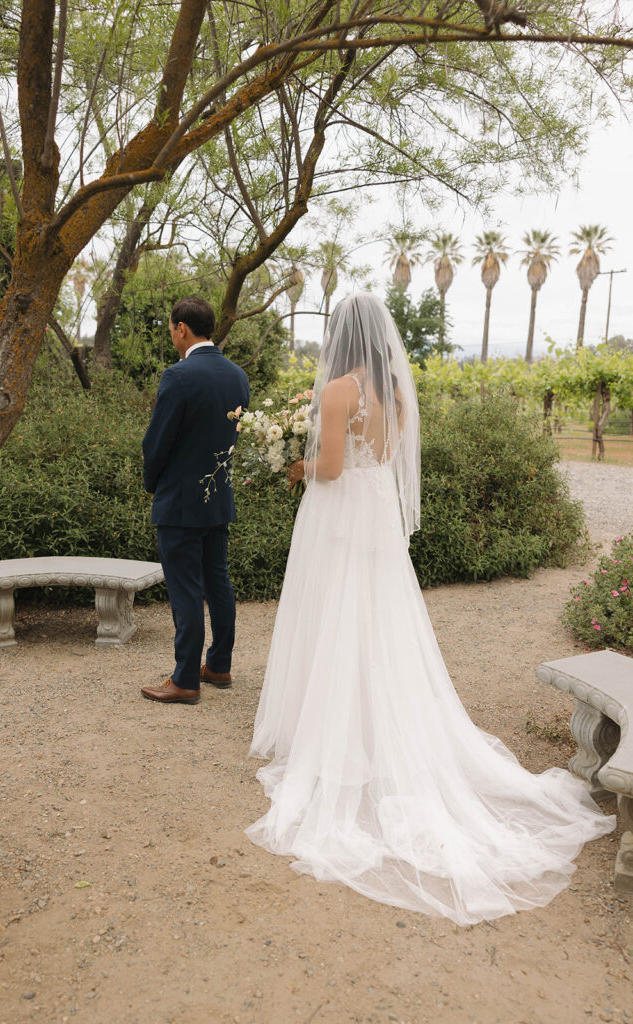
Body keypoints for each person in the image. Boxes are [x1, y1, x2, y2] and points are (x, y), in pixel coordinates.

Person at [246, 292, 614, 926]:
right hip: (377, 518)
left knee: (336, 617)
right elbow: (380, 462)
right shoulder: (394, 393)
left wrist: (295, 462)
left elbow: (330, 469)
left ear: (341, 334)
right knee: (377, 624)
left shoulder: (339, 391)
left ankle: (339, 736)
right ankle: (372, 722)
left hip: (338, 515)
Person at [140, 296, 249, 705]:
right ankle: (219, 664)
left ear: (181, 328)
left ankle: (185, 679)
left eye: (171, 329)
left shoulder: (178, 376)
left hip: (181, 502)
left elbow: (157, 442)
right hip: (219, 495)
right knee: (217, 581)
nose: (171, 335)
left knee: (185, 587)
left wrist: (154, 484)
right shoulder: (238, 377)